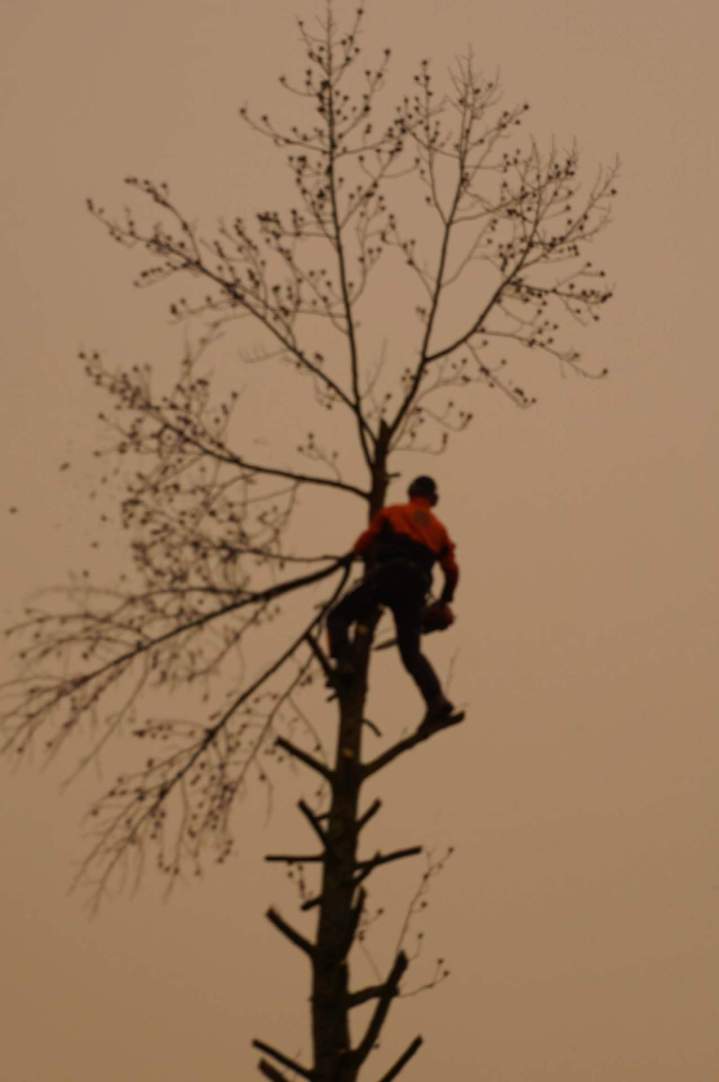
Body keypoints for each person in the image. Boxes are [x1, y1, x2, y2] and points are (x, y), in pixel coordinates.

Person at [327, 475, 459, 728]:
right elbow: (452, 571)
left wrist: (354, 555)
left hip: (388, 576)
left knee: (338, 616)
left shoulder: (393, 512)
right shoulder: (440, 530)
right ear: (433, 499)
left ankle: (344, 662)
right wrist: (444, 599)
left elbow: (366, 540)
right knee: (411, 654)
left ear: (411, 493)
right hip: (415, 587)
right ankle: (436, 701)